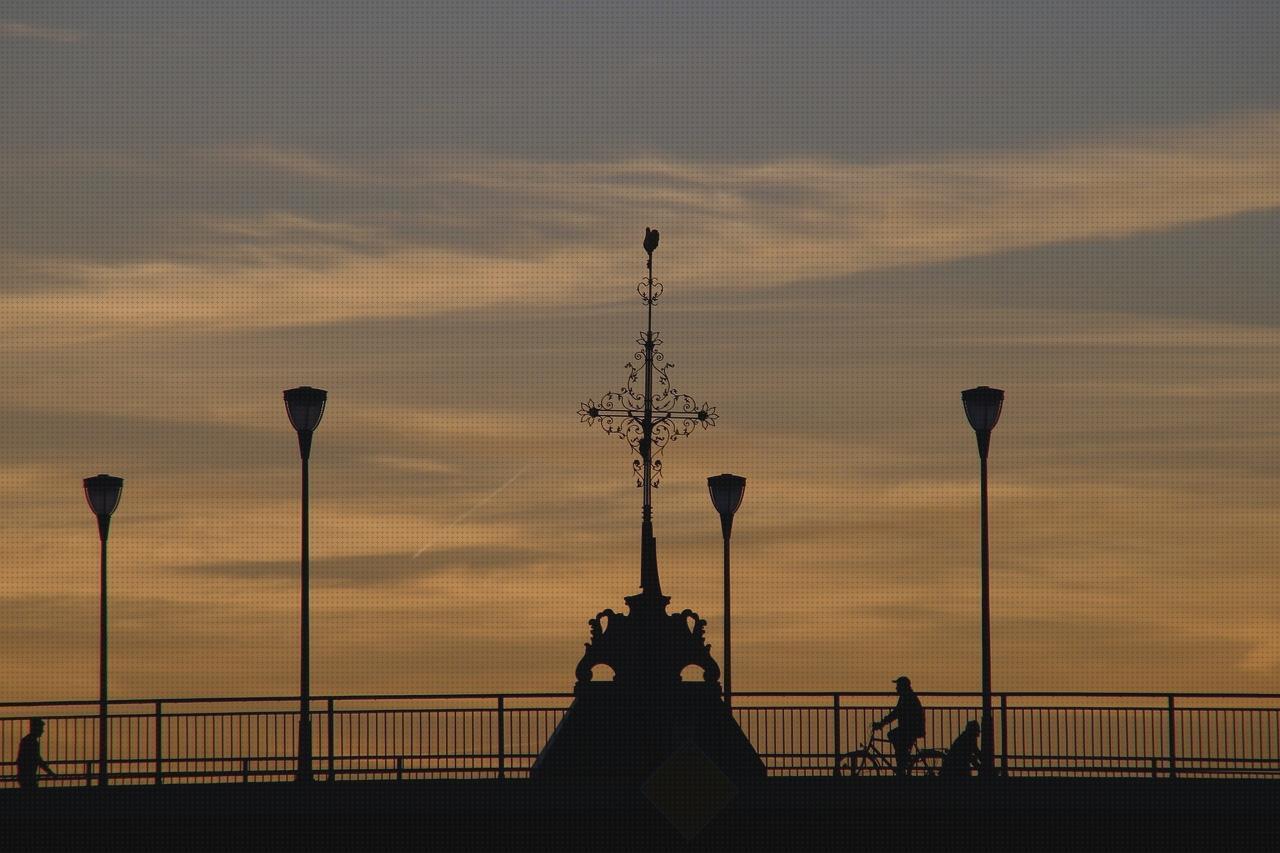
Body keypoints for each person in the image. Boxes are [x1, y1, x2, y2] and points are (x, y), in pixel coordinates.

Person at [873, 676, 925, 776]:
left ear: (902, 686)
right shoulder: (908, 696)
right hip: (911, 728)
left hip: (911, 729)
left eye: (898, 686)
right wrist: (882, 723)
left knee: (893, 736)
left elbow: (896, 713)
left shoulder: (906, 697)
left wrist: (881, 724)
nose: (896, 688)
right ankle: (903, 760)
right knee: (896, 739)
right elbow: (896, 713)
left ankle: (902, 762)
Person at [17, 718, 56, 789]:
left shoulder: (27, 740)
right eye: (41, 728)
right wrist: (50, 772)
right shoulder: (32, 742)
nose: (42, 731)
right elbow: (37, 759)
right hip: (28, 776)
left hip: (25, 776)